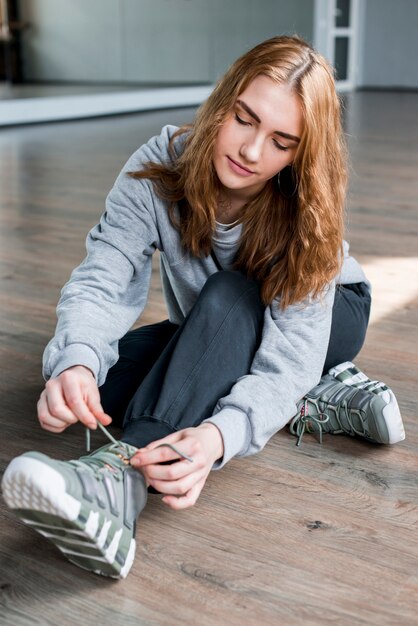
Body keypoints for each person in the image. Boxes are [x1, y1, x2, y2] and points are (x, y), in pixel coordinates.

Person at [1, 35, 405, 579]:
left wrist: (222, 434)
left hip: (330, 314)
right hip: (215, 326)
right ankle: (316, 392)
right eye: (244, 118)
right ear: (223, 101)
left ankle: (119, 481)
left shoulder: (307, 211)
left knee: (232, 294)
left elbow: (289, 349)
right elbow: (104, 275)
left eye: (282, 142)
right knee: (103, 383)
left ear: (301, 154)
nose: (251, 152)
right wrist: (76, 359)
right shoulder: (159, 165)